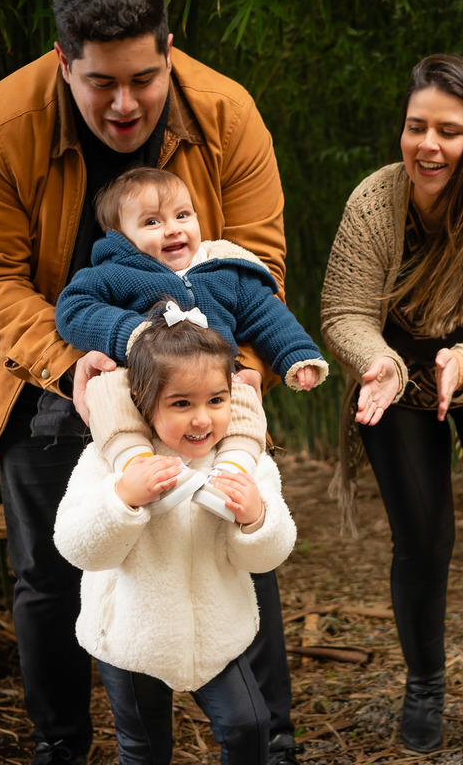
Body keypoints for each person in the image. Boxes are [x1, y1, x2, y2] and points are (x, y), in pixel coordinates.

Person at [0, 0, 304, 762]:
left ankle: (270, 743)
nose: (125, 105)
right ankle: (61, 744)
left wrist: (237, 370)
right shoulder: (1, 124)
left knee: (234, 528)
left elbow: (257, 261)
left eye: (144, 78)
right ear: (63, 62)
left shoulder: (225, 112)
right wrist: (73, 359)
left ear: (169, 50)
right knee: (50, 568)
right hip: (56, 366)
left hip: (199, 365)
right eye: (101, 83)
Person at [320, 54, 463, 753]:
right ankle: (423, 686)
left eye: (449, 132)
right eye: (416, 126)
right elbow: (343, 311)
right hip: (394, 371)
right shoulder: (374, 201)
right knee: (422, 535)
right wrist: (381, 363)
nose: (427, 145)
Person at [54, 302, 297, 765]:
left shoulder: (245, 464)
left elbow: (267, 557)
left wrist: (255, 517)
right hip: (131, 636)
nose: (202, 419)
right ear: (145, 402)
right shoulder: (109, 460)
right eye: (182, 404)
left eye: (216, 401)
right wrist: (123, 499)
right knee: (145, 749)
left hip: (217, 633)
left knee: (249, 726)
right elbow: (77, 546)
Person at [55, 167, 326, 522]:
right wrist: (130, 334)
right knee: (106, 389)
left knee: (244, 394)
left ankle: (229, 475)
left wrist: (297, 353)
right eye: (152, 222)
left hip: (213, 383)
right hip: (144, 385)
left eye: (182, 215)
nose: (172, 228)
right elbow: (74, 309)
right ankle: (137, 465)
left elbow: (265, 312)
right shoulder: (113, 274)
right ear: (121, 237)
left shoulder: (222, 270)